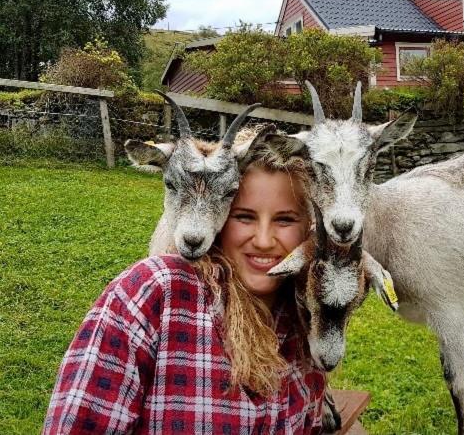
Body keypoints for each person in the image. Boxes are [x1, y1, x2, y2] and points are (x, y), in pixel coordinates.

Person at [42, 132, 326, 434]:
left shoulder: (307, 323)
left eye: (285, 220)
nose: (265, 240)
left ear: (310, 227)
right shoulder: (151, 296)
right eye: (244, 217)